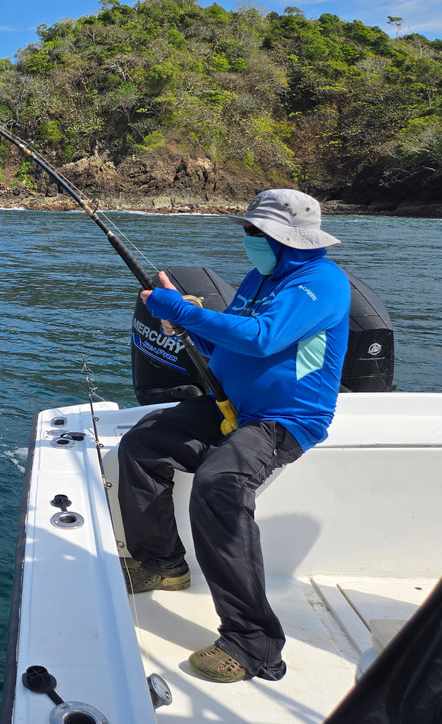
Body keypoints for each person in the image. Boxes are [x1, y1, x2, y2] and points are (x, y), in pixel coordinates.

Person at [116, 188, 351, 683]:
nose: (247, 238)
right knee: (143, 444)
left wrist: (183, 312)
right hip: (234, 405)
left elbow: (264, 336)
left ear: (285, 239)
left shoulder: (321, 283)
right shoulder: (261, 276)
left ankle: (254, 643)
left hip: (286, 418)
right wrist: (186, 323)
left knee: (219, 484)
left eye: (254, 232)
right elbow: (233, 337)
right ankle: (162, 564)